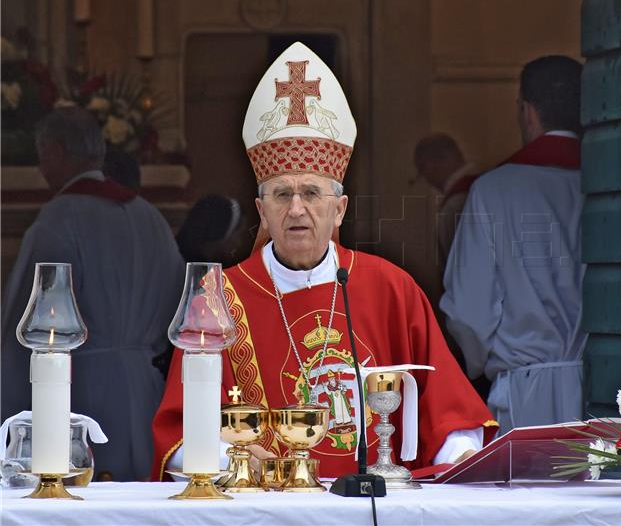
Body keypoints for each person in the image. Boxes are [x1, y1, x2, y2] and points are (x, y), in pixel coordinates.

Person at [151, 42, 496, 480]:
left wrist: (460, 456)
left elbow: (452, 413)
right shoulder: (219, 300)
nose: (296, 209)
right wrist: (235, 460)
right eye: (281, 194)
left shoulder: (392, 288)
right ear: (261, 212)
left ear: (340, 209)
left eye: (312, 193)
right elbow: (180, 438)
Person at [1, 106, 185, 481]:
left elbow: (28, 324)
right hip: (146, 391)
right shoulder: (151, 217)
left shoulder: (58, 220)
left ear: (53, 151)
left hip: (82, 392)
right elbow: (178, 307)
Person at [440, 56, 585, 435]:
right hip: (607, 392)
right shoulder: (612, 184)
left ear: (528, 112)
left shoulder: (493, 191)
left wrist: (482, 363)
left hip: (526, 393)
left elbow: (468, 309)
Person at [413, 134, 479, 261]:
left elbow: (459, 266)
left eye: (422, 169)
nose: (426, 177)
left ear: (431, 164)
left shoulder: (454, 205)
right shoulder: (491, 184)